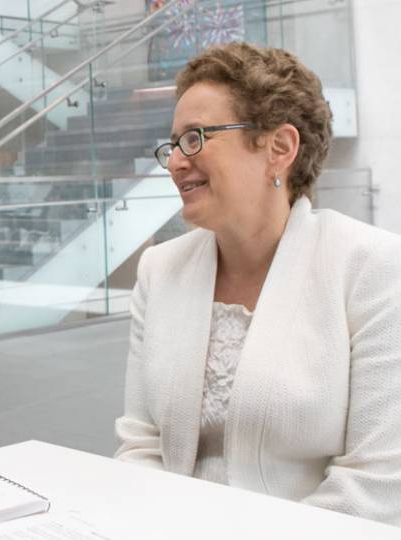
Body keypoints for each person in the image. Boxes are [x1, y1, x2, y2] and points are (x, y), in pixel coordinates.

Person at [114, 42, 401, 526]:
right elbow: (140, 443)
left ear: (279, 149)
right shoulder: (159, 270)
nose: (175, 162)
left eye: (196, 138)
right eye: (173, 143)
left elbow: (377, 482)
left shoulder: (371, 268)